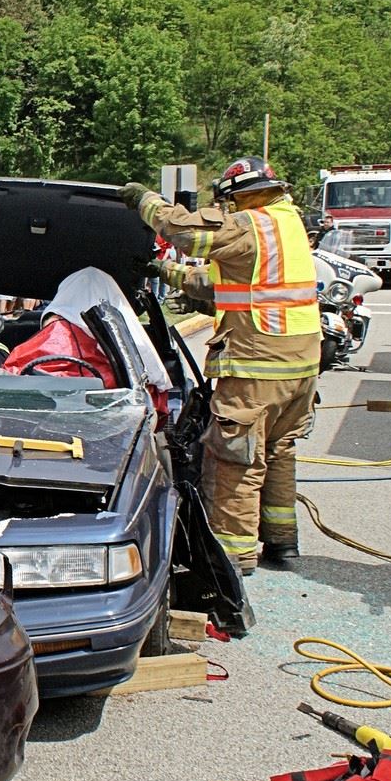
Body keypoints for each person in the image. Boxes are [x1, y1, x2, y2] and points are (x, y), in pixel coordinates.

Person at [122, 156, 320, 575]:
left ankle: (232, 557)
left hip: (257, 366)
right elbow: (219, 285)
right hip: (299, 367)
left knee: (235, 459)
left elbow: (187, 235)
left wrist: (144, 201)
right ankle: (282, 542)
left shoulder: (252, 224)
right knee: (277, 452)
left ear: (240, 196)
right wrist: (164, 271)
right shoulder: (286, 223)